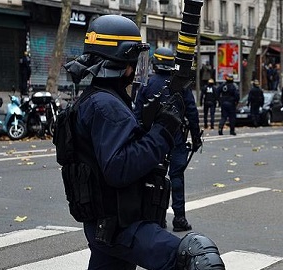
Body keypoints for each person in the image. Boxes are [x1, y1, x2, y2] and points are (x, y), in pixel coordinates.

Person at [59, 15, 224, 269]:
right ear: (122, 62)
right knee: (197, 257)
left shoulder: (95, 98)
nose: (136, 68)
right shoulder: (106, 106)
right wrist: (162, 132)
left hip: (106, 226)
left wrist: (149, 128)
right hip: (121, 226)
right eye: (134, 61)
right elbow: (118, 168)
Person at [134, 47, 202, 232]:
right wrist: (196, 137)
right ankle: (179, 218)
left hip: (152, 138)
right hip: (176, 137)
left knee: (154, 177)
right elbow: (192, 112)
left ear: (155, 62)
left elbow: (137, 113)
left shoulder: (146, 84)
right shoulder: (180, 85)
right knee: (176, 177)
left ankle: (156, 218)